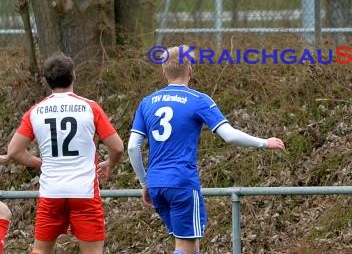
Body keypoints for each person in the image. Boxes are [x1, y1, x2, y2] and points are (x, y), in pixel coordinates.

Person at [128, 45, 286, 254]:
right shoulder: (197, 100)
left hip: (157, 183)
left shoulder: (146, 102)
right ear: (190, 70)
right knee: (185, 246)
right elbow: (229, 135)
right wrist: (264, 142)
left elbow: (132, 146)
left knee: (190, 245)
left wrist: (144, 182)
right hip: (182, 182)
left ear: (163, 72)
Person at [0, 53, 124, 254]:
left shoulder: (36, 111)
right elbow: (117, 147)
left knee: (40, 250)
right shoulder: (90, 107)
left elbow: (14, 151)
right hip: (84, 191)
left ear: (46, 81)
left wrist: (42, 163)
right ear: (74, 76)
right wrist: (110, 163)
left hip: (52, 192)